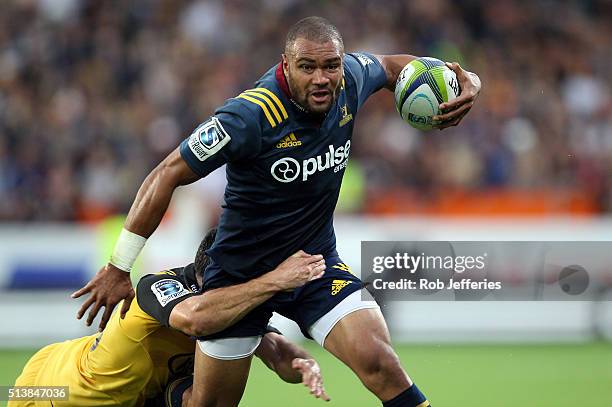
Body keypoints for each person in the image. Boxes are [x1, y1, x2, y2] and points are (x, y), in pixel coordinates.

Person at [74, 16, 481, 407]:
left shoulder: (352, 78)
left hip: (314, 266)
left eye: (330, 66)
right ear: (286, 65)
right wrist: (118, 266)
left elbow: (395, 67)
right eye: (308, 67)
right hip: (239, 276)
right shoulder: (248, 116)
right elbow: (166, 174)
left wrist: (466, 81)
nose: (322, 78)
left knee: (382, 364)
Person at [11, 229, 329, 406]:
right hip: (55, 387)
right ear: (211, 277)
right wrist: (275, 280)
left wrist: (305, 364)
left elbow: (277, 353)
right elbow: (196, 319)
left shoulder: (235, 306)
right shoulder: (160, 286)